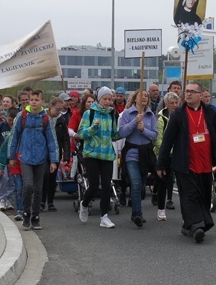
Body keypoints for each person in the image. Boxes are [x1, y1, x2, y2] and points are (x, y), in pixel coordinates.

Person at [156, 82, 216, 243]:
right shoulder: (178, 114)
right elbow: (167, 141)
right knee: (190, 195)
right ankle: (197, 226)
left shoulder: (210, 113)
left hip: (205, 164)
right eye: (187, 92)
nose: (188, 94)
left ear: (200, 95)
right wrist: (161, 164)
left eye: (192, 92)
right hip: (185, 164)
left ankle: (188, 226)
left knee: (204, 196)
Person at [9, 89, 59, 230]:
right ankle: (26, 212)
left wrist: (54, 160)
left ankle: (36, 217)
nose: (34, 102)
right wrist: (11, 156)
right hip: (24, 157)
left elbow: (52, 140)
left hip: (41, 158)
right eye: (32, 100)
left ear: (42, 102)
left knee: (38, 189)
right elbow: (14, 137)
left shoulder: (46, 118)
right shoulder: (22, 116)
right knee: (28, 185)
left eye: (37, 100)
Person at [77, 87, 119, 229]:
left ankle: (104, 216)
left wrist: (129, 128)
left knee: (107, 185)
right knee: (94, 185)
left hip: (107, 154)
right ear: (98, 99)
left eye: (109, 99)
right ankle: (84, 204)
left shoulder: (111, 114)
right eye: (105, 99)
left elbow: (114, 134)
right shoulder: (89, 113)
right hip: (92, 154)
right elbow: (81, 134)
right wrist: (93, 128)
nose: (108, 102)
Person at [119, 89, 158, 227]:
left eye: (146, 96)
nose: (144, 98)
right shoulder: (127, 114)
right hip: (132, 152)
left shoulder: (150, 115)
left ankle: (135, 209)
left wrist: (143, 130)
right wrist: (134, 122)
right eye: (141, 95)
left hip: (146, 153)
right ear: (135, 99)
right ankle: (137, 214)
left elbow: (154, 135)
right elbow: (122, 132)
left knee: (141, 187)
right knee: (135, 183)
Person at [153, 91, 181, 219]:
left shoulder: (181, 117)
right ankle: (161, 209)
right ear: (166, 104)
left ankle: (173, 201)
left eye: (176, 102)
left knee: (176, 181)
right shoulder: (161, 119)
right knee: (163, 181)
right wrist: (167, 150)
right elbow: (158, 139)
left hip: (178, 154)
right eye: (172, 103)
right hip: (164, 154)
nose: (175, 105)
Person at [42, 97, 70, 212]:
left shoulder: (61, 120)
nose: (59, 112)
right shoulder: (42, 118)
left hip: (56, 151)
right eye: (57, 109)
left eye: (61, 109)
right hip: (43, 152)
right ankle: (41, 201)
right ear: (50, 106)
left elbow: (65, 138)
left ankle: (50, 202)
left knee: (53, 178)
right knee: (45, 176)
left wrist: (66, 154)